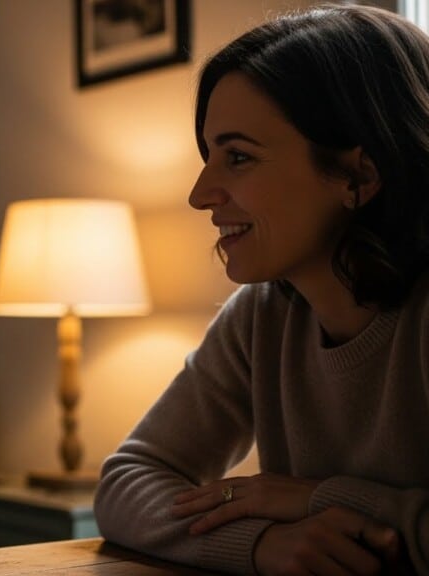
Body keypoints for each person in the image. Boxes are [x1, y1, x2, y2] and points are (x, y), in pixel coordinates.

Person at [94, 4, 429, 575]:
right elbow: (128, 482)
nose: (201, 194)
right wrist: (259, 544)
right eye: (209, 156)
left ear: (358, 176)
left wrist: (315, 497)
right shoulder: (261, 315)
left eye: (239, 157)